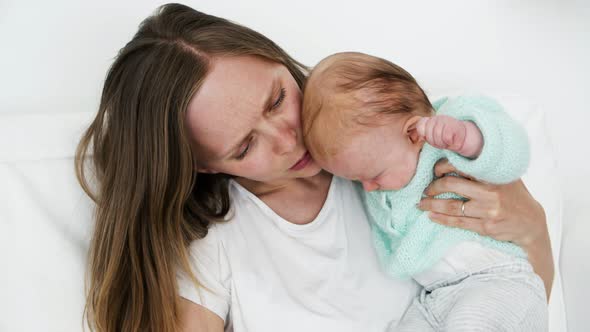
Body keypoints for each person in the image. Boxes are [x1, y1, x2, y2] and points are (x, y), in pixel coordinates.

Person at [74, 3, 554, 332]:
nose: (289, 138)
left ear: (277, 58)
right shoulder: (214, 251)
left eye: (278, 98)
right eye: (245, 147)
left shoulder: (392, 149)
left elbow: (517, 300)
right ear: (202, 166)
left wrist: (534, 228)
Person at [301, 52, 547, 330]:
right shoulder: (379, 161)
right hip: (436, 296)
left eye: (373, 176)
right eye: (357, 181)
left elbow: (513, 156)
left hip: (496, 278)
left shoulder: (450, 130)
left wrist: (470, 139)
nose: (368, 188)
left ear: (413, 135)